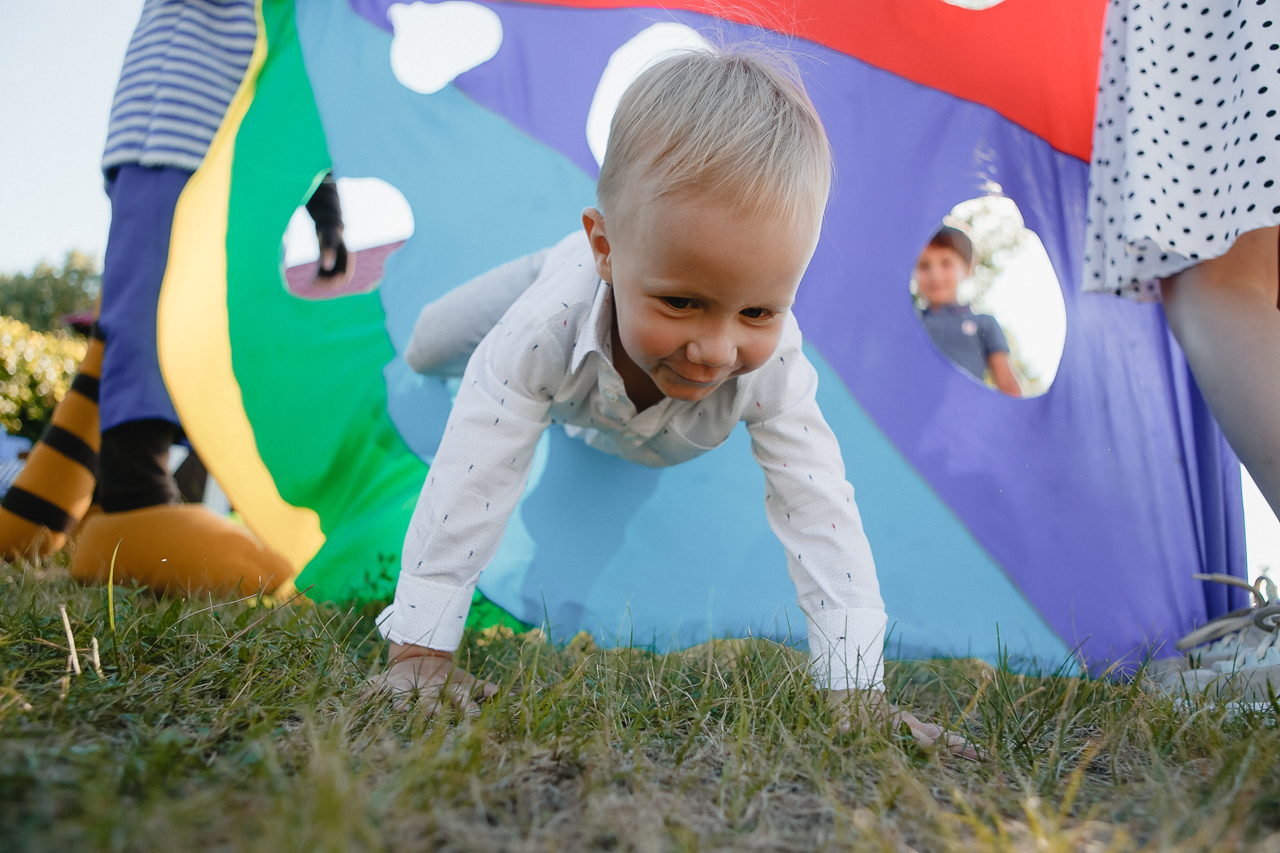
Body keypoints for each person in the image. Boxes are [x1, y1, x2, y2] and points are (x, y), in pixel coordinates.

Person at [370, 50, 971, 754]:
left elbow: (819, 507)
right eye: (681, 302)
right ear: (606, 248)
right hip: (554, 285)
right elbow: (474, 472)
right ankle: (479, 355)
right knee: (430, 344)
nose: (715, 351)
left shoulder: (775, 365)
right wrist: (420, 652)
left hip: (630, 414)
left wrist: (855, 689)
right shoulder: (543, 328)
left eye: (757, 311)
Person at [0, 0, 347, 593]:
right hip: (177, 132)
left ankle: (54, 510)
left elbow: (292, 71)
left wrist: (325, 206)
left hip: (226, 156)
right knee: (151, 320)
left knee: (164, 328)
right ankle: (135, 495)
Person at [914, 227, 1021, 397]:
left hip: (965, 410)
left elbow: (1008, 386)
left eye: (946, 263)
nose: (935, 275)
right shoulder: (911, 322)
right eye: (924, 266)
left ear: (967, 269)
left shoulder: (984, 323)